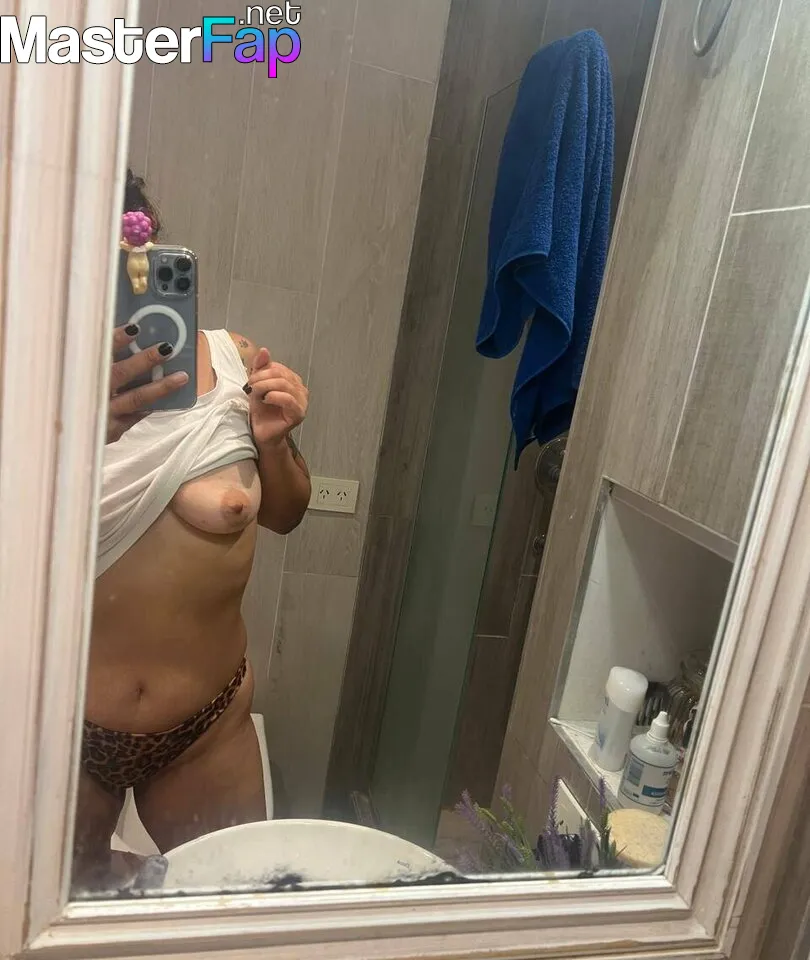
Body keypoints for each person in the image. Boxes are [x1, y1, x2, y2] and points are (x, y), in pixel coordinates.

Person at [73, 170, 311, 889]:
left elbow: (286, 512)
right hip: (56, 724)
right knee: (44, 921)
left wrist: (274, 442)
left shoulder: (236, 359)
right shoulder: (25, 378)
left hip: (207, 730)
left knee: (231, 912)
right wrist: (68, 430)